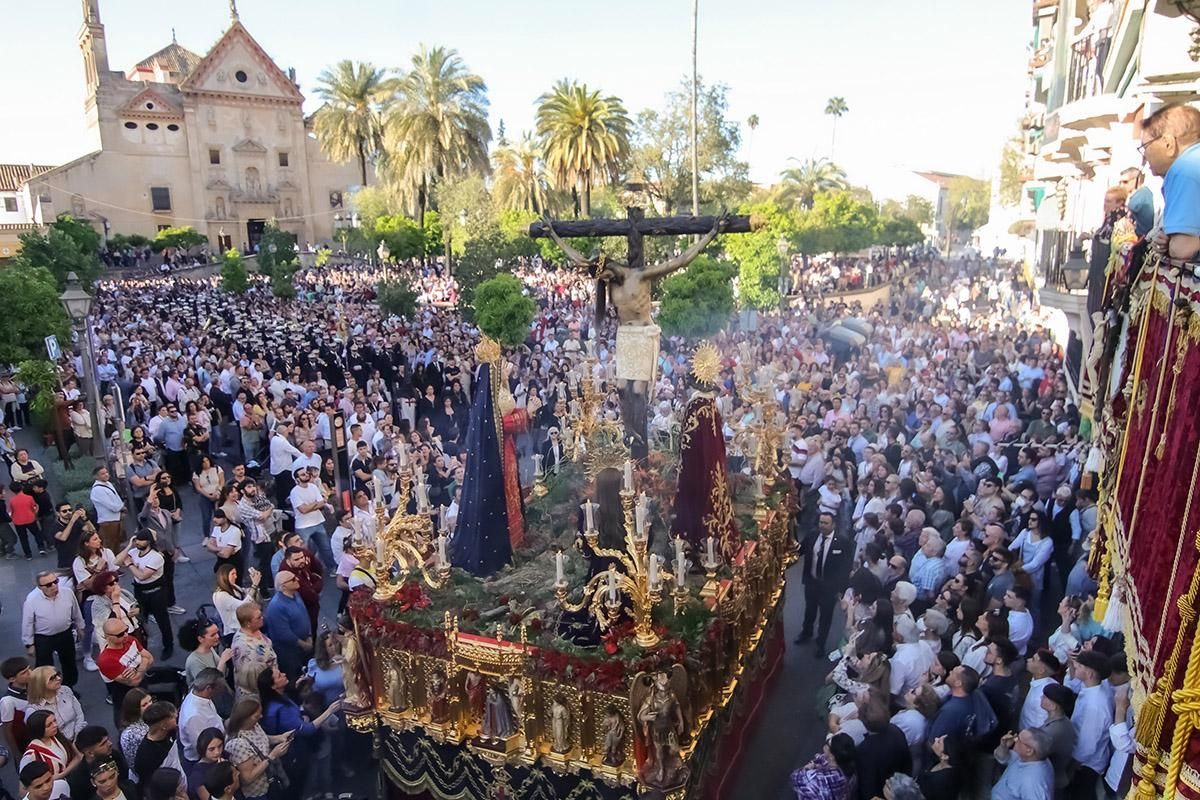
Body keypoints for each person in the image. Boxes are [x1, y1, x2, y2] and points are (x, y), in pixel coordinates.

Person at [256, 667, 340, 796]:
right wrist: (329, 711)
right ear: (273, 686)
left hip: (296, 750)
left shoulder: (280, 697)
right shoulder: (281, 709)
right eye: (279, 676)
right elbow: (307, 729)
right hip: (293, 754)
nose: (284, 674)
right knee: (299, 787)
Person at [1142, 104, 1200, 263]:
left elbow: (1183, 249)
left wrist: (1172, 244)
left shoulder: (1183, 169)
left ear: (1168, 143)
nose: (1144, 157)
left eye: (1145, 147)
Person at [796, 512, 852, 656]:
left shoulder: (842, 542)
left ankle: (820, 644)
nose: (822, 525)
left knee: (825, 617)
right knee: (809, 611)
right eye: (820, 522)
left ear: (833, 525)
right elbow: (800, 551)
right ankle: (806, 633)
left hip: (829, 588)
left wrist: (842, 590)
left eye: (825, 523)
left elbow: (846, 567)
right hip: (812, 583)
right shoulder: (812, 536)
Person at [20, 572, 84, 689]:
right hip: (44, 638)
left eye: (56, 582)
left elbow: (75, 611)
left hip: (65, 634)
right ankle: (46, 690)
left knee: (69, 662)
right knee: (44, 667)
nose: (54, 586)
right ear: (40, 587)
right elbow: (28, 623)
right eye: (49, 584)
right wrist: (29, 644)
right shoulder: (31, 600)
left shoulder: (67, 593)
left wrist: (81, 626)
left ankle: (68, 687)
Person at [118, 530, 173, 659]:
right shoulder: (133, 552)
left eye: (141, 540)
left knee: (162, 620)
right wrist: (128, 546)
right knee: (139, 620)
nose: (138, 542)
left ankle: (168, 645)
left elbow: (142, 576)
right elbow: (117, 561)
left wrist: (130, 564)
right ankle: (142, 646)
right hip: (140, 592)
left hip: (157, 593)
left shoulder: (156, 557)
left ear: (148, 541)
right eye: (136, 539)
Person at [1066, 650, 1114, 799]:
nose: (1076, 668)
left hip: (1086, 764)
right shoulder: (1091, 687)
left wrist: (1074, 762)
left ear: (1090, 673)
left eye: (1079, 666)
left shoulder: (1096, 705)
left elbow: (1088, 742)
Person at [223, 698, 292, 800]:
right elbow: (247, 778)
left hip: (272, 780)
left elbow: (261, 739)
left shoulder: (254, 725)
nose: (261, 716)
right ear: (245, 718)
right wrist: (272, 756)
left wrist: (279, 738)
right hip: (259, 793)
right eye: (256, 715)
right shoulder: (237, 744)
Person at [96, 619, 153, 727]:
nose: (126, 635)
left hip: (143, 691)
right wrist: (143, 662)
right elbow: (133, 682)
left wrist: (139, 668)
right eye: (120, 634)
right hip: (126, 702)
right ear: (107, 637)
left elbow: (150, 658)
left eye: (126, 630)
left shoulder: (131, 640)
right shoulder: (106, 660)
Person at [852, 695, 911, 800]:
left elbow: (867, 785)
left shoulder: (865, 750)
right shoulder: (896, 730)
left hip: (881, 793)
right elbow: (907, 763)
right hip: (898, 786)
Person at [263, 572, 311, 680]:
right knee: (296, 678)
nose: (297, 579)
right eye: (293, 579)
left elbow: (304, 614)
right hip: (289, 652)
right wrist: (304, 644)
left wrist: (309, 635)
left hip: (304, 644)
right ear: (283, 586)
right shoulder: (276, 606)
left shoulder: (295, 595)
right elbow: (283, 633)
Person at [131, 702, 184, 790]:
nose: (177, 717)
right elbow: (149, 784)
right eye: (174, 717)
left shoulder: (170, 732)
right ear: (163, 726)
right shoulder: (145, 756)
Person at [179, 671, 227, 766]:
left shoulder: (200, 696)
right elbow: (201, 747)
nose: (222, 690)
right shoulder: (194, 716)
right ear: (208, 688)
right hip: (207, 759)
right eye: (220, 688)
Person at [789, 733, 857, 800]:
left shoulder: (815, 780)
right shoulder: (850, 769)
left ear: (832, 756)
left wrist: (807, 767)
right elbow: (822, 758)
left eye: (828, 743)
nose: (826, 743)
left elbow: (795, 778)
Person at [289, 469, 333, 570]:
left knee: (326, 547)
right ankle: (308, 571)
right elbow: (303, 510)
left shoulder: (313, 487)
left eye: (307, 473)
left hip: (318, 521)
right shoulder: (294, 492)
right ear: (297, 479)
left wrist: (310, 506)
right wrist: (315, 504)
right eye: (303, 474)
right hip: (303, 526)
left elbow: (321, 503)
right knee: (304, 552)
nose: (306, 475)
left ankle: (332, 569)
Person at [992, 728, 1054, 800]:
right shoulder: (1030, 758)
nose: (1014, 740)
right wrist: (1004, 746)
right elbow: (1002, 758)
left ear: (1029, 751)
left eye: (1019, 740)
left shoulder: (1032, 784)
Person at [24, 668, 84, 742]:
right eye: (52, 678)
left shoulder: (65, 690)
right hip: (60, 743)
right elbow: (41, 735)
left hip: (80, 733)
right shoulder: (33, 710)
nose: (58, 678)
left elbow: (79, 714)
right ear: (40, 684)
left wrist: (77, 736)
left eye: (57, 674)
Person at [230, 604, 276, 699]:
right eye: (258, 618)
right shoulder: (243, 647)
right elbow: (250, 678)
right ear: (248, 623)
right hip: (259, 691)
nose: (262, 618)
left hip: (271, 679)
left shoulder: (255, 630)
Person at [19, 711, 80, 779]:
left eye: (54, 721)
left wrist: (62, 774)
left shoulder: (57, 737)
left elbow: (76, 757)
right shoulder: (31, 754)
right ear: (39, 729)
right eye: (49, 725)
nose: (55, 725)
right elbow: (25, 782)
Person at [211, 565, 260, 647]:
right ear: (225, 576)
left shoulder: (233, 587)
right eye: (233, 574)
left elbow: (245, 592)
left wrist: (252, 586)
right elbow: (243, 606)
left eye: (236, 573)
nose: (236, 576)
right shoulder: (221, 596)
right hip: (234, 631)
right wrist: (254, 586)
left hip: (243, 625)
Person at [180, 620, 232, 689]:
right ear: (200, 639)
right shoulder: (195, 662)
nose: (217, 636)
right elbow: (209, 687)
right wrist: (222, 661)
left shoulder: (210, 648)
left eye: (217, 632)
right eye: (213, 635)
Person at [1, 657, 32, 760]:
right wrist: (16, 753)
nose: (30, 673)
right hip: (26, 742)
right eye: (24, 672)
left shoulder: (33, 686)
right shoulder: (8, 701)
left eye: (29, 669)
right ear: (12, 679)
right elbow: (7, 730)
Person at [89, 467, 126, 553]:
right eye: (103, 474)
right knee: (109, 544)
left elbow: (117, 499)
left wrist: (121, 507)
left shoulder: (108, 484)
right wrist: (121, 507)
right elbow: (112, 506)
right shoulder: (97, 489)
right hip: (108, 521)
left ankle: (116, 561)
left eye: (106, 472)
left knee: (117, 543)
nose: (106, 475)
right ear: (96, 476)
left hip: (116, 519)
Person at [8, 483, 46, 559]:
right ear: (21, 488)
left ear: (12, 491)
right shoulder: (29, 498)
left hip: (18, 522)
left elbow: (11, 511)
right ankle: (41, 548)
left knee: (23, 538)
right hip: (30, 519)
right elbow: (34, 507)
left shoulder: (12, 501)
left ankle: (28, 554)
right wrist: (35, 514)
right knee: (36, 533)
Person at [185, 729, 226, 800]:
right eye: (211, 749)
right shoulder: (198, 775)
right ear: (203, 749)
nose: (217, 752)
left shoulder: (224, 757)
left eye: (220, 746)